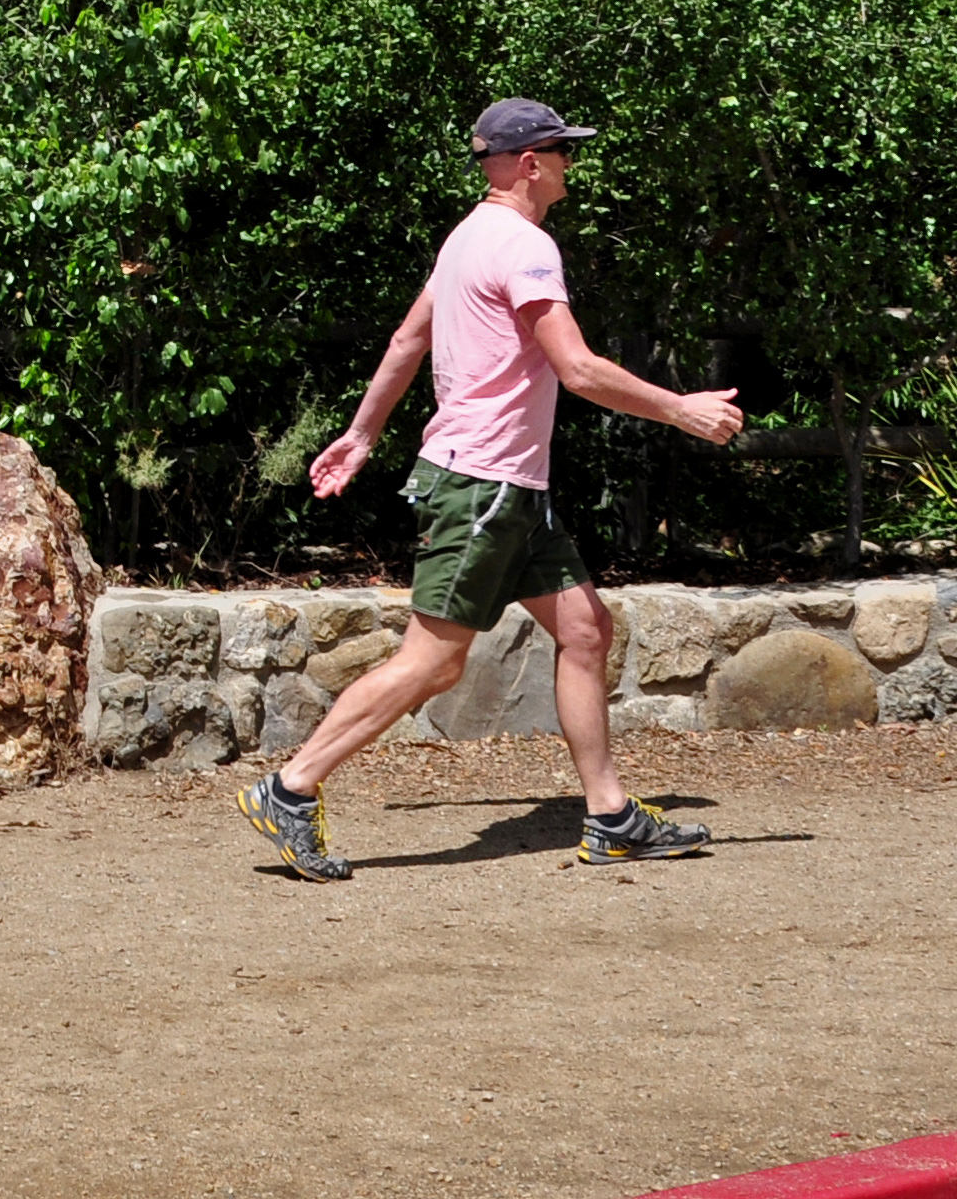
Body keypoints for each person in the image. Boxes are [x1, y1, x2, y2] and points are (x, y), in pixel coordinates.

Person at [237, 98, 750, 881]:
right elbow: (576, 370)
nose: (571, 165)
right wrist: (682, 409)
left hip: (511, 488)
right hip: (483, 487)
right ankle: (291, 787)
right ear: (532, 163)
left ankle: (610, 817)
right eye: (562, 152)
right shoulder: (524, 246)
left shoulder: (467, 237)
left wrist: (365, 433)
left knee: (584, 631)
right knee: (434, 663)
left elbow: (409, 338)